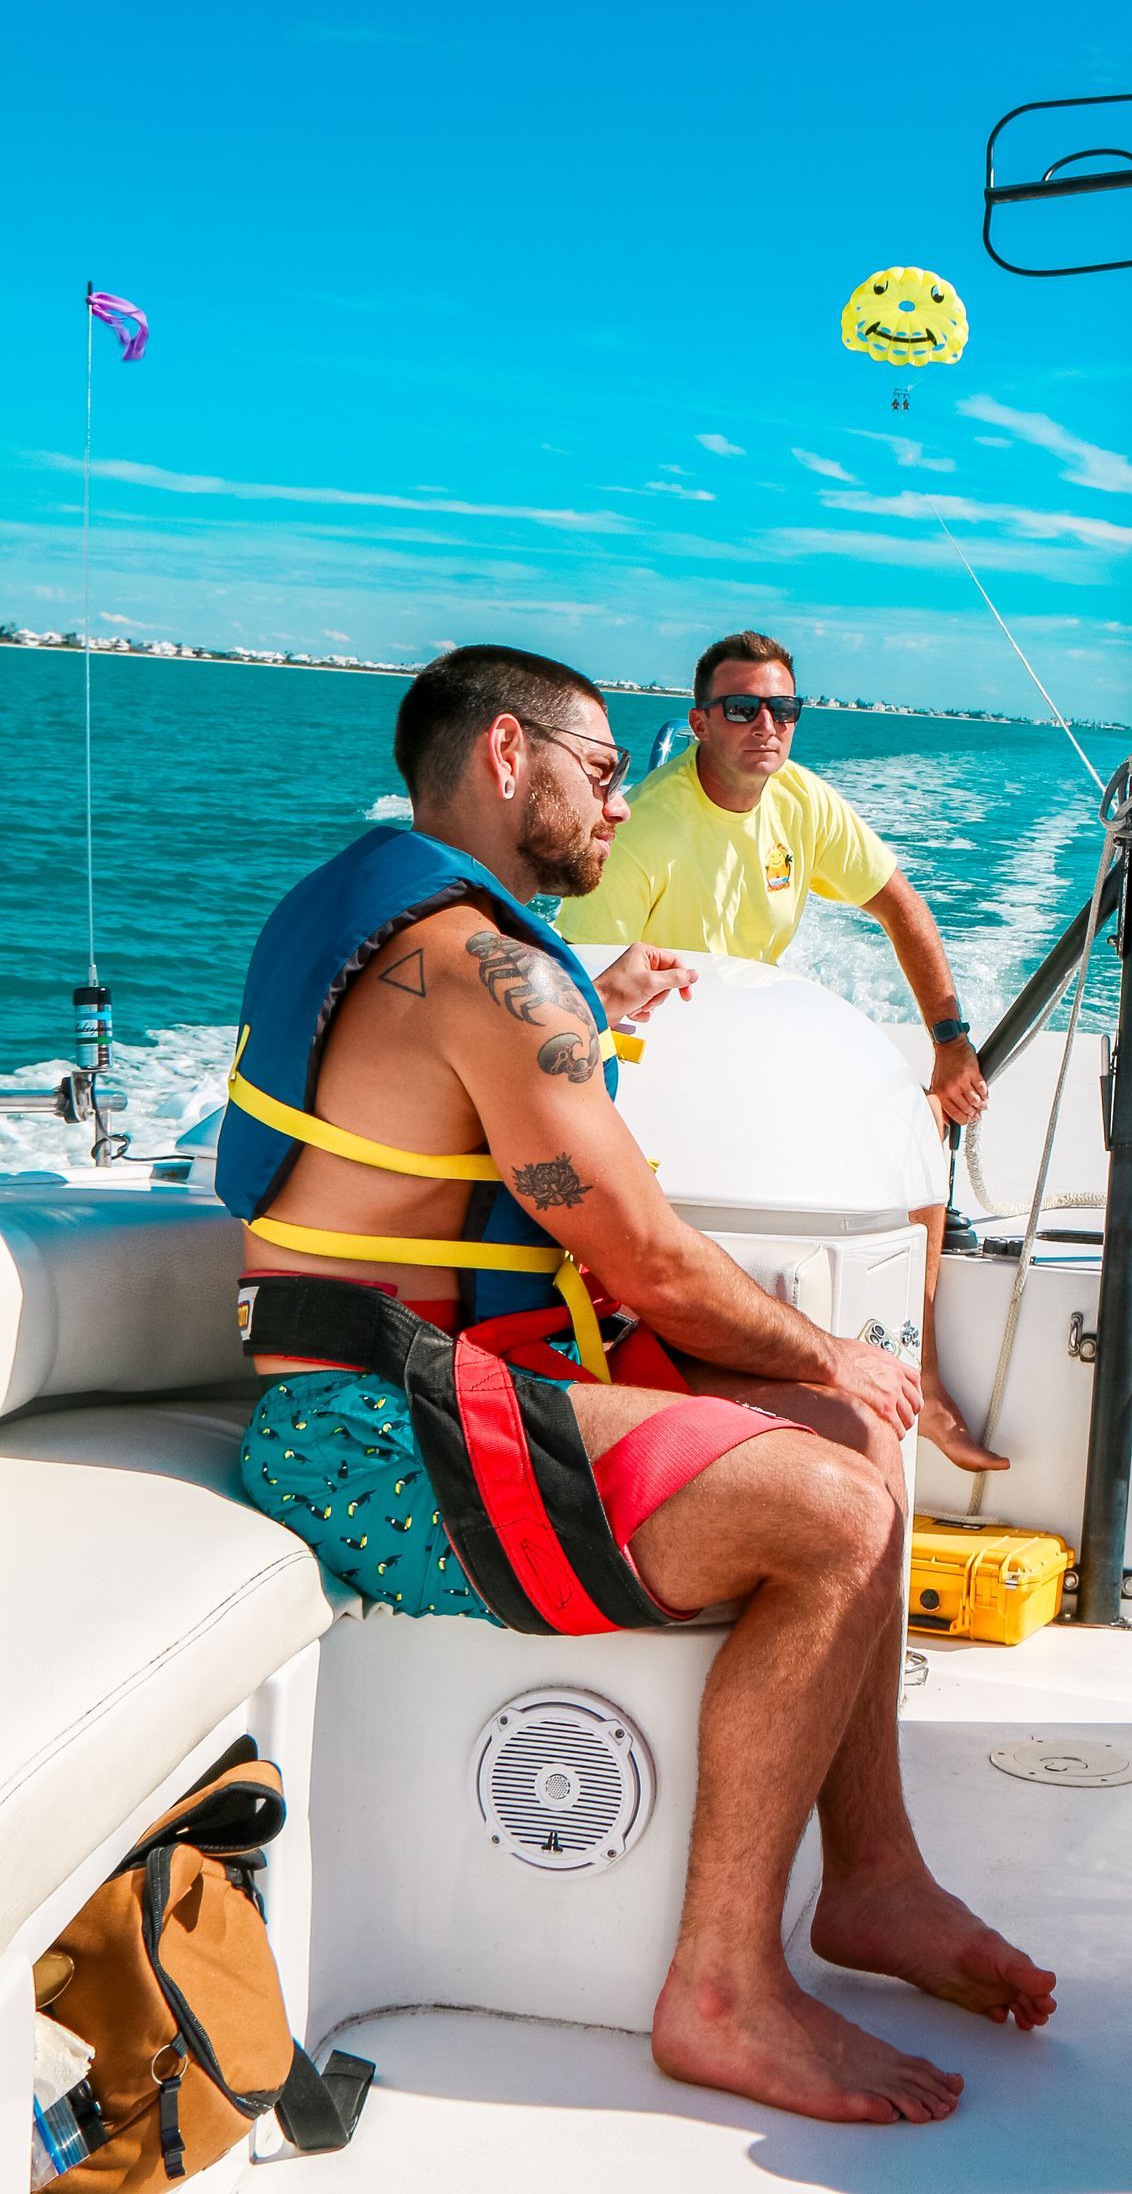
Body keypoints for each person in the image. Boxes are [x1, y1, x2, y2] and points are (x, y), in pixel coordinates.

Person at [219, 644, 1054, 2128]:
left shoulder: (419, 929)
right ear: (503, 758)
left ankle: (872, 1878)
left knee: (857, 1430)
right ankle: (721, 1989)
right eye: (602, 770)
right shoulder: (487, 966)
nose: (621, 801)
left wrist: (839, 1383)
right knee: (833, 1502)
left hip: (416, 1390)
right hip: (359, 1435)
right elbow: (650, 1262)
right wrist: (829, 1344)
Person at [558, 629, 1006, 1473]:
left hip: (752, 1059)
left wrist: (951, 1044)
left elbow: (902, 906)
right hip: (657, 1071)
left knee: (914, 1128)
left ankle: (926, 1381)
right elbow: (584, 992)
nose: (766, 724)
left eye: (783, 708)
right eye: (741, 708)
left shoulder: (802, 802)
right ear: (700, 721)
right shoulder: (645, 832)